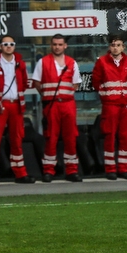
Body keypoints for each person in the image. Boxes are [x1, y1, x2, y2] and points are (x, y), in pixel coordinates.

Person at [32, 35, 81, 182]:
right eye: (54, 44)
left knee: (70, 137)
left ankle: (72, 171)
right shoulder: (42, 62)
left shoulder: (72, 63)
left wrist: (64, 94)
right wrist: (49, 95)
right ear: (51, 45)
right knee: (51, 137)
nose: (57, 47)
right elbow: (37, 83)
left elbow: (76, 84)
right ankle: (48, 171)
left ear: (65, 46)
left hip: (68, 104)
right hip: (51, 105)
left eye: (60, 44)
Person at [0, 35, 34, 183]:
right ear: (0, 46)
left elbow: (24, 83)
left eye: (11, 44)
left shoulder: (20, 63)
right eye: (5, 44)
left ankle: (20, 173)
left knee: (17, 139)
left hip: (16, 106)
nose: (8, 46)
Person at [91, 35, 127, 180]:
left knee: (125, 136)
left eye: (118, 45)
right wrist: (106, 96)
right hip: (110, 105)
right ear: (109, 47)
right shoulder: (102, 62)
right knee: (109, 136)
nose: (115, 47)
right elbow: (96, 81)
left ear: (123, 47)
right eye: (113, 45)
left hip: (125, 105)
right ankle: (110, 169)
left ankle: (124, 168)